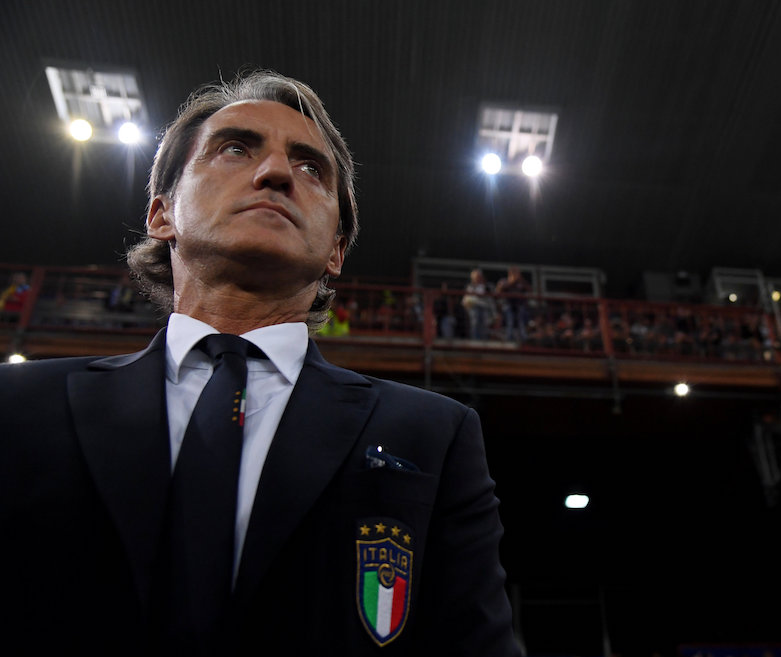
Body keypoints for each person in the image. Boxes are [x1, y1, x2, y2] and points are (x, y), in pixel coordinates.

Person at [0, 70, 520, 657]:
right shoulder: (17, 406)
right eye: (235, 148)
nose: (276, 173)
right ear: (162, 214)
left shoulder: (434, 435)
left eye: (310, 168)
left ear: (336, 251)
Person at [494, 266, 531, 343]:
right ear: (510, 273)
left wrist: (522, 281)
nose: (517, 275)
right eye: (515, 273)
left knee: (521, 321)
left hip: (519, 306)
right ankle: (509, 338)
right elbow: (498, 291)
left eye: (518, 273)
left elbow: (530, 290)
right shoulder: (504, 281)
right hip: (507, 305)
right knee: (510, 321)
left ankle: (524, 339)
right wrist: (512, 281)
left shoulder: (521, 282)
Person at [462, 268, 493, 340]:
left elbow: (491, 298)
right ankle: (475, 339)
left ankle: (484, 339)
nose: (478, 279)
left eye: (479, 277)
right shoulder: (470, 287)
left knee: (484, 323)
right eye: (476, 277)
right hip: (474, 307)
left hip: (485, 308)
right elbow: (465, 300)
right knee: (475, 322)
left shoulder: (487, 286)